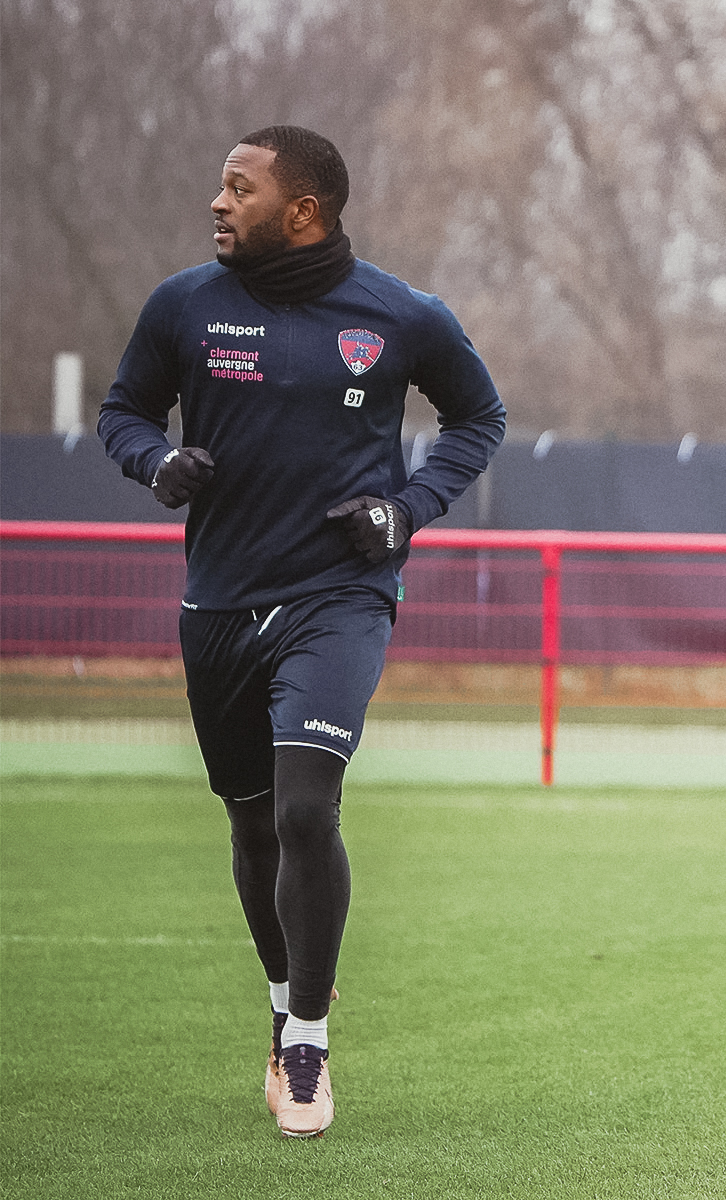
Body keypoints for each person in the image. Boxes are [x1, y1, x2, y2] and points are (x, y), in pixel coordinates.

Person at [99, 126, 506, 1138]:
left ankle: (311, 1044)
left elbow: (478, 420)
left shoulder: (401, 314)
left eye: (240, 187)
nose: (217, 202)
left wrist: (408, 512)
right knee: (248, 821)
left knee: (303, 810)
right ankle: (283, 1011)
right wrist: (155, 462)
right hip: (220, 605)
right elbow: (122, 412)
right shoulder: (183, 305)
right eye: (219, 184)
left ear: (304, 210)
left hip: (341, 596)